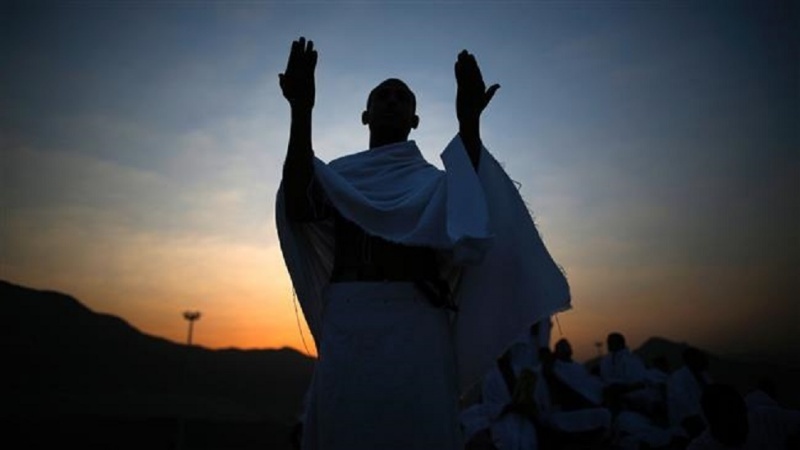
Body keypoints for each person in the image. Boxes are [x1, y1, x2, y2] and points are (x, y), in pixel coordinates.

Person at [275, 37, 571, 450]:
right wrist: (300, 109)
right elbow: (299, 206)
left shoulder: (433, 184)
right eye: (383, 96)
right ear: (366, 114)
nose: (393, 102)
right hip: (351, 318)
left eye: (402, 98)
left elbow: (468, 218)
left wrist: (469, 123)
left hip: (416, 323)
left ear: (415, 120)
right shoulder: (339, 177)